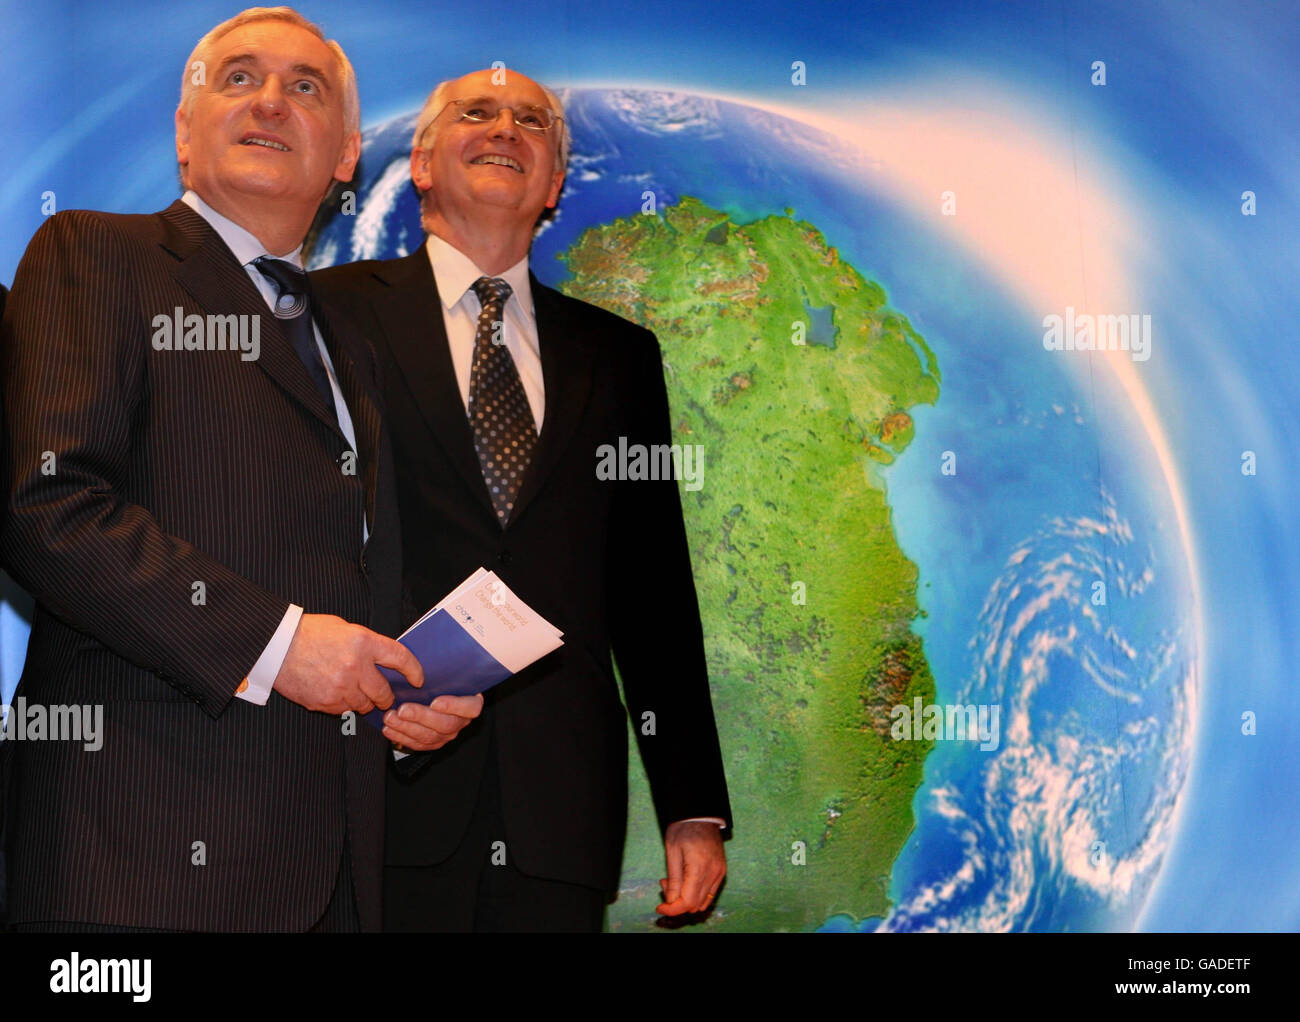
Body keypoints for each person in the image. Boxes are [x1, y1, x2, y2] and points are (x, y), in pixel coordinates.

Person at [0, 6, 481, 932]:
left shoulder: (353, 343)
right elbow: (48, 504)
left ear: (345, 152)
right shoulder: (94, 253)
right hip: (144, 862)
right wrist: (280, 646)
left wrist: (406, 692)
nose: (271, 100)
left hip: (336, 864)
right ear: (185, 132)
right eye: (239, 78)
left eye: (306, 88)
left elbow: (345, 569)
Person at [312, 68, 732, 932]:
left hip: (558, 820)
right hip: (366, 789)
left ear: (553, 185)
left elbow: (651, 589)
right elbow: (281, 530)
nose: (507, 127)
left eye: (533, 122)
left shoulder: (620, 358)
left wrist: (692, 803)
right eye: (477, 113)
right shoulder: (327, 317)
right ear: (423, 163)